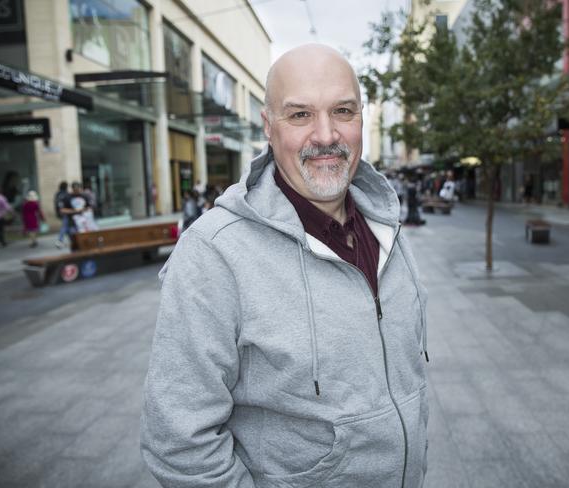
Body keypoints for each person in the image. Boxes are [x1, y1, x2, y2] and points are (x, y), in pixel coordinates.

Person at [141, 44, 429, 488]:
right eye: (300, 115)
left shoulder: (387, 227)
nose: (326, 134)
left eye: (343, 111)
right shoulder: (213, 253)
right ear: (268, 128)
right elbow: (180, 444)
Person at [54, 181, 69, 248]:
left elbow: (56, 204)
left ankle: (72, 239)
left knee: (67, 226)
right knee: (65, 226)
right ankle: (59, 240)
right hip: (65, 212)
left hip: (61, 212)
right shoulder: (65, 194)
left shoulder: (58, 194)